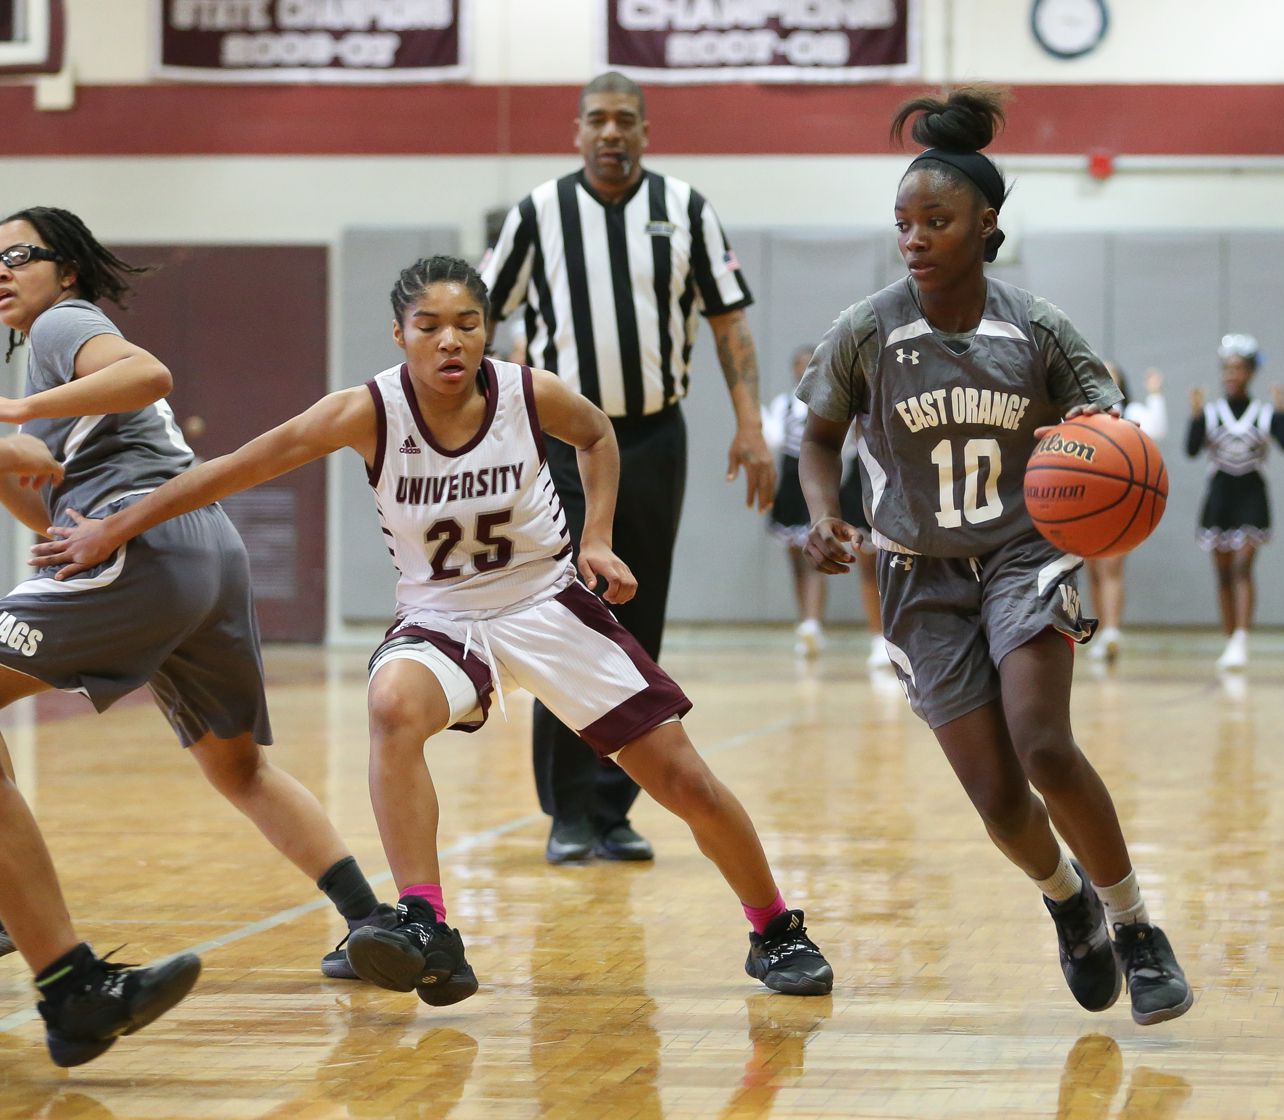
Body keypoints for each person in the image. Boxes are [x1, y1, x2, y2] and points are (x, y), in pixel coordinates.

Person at [33, 255, 834, 1008]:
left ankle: (775, 930)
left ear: (487, 331)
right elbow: (237, 465)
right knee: (392, 705)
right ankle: (425, 923)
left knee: (683, 780)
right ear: (400, 334)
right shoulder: (366, 410)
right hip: (441, 615)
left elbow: (597, 433)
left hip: (544, 599)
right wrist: (115, 527)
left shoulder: (529, 392)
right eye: (429, 324)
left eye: (467, 323)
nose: (450, 339)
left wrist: (598, 536)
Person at [797, 89, 1192, 1026]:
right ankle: (1070, 905)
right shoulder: (866, 330)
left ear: (987, 227)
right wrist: (824, 514)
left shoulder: (1040, 330)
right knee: (996, 795)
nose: (915, 238)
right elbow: (816, 440)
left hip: (1026, 556)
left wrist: (1107, 447)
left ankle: (1138, 928)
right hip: (916, 575)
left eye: (936, 221)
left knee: (1044, 743)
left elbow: (1106, 419)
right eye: (903, 223)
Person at [0, 208, 391, 1066]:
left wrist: (19, 407)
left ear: (66, 271)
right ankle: (372, 920)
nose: (2, 269)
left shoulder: (61, 328)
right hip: (206, 550)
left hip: (142, 546)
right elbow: (50, 500)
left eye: (18, 254)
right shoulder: (59, 376)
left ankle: (68, 983)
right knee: (237, 765)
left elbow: (149, 374)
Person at [480, 71, 775, 866]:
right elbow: (479, 312)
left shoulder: (685, 211)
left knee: (637, 621)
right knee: (567, 615)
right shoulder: (539, 213)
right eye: (598, 121)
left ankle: (615, 810)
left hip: (653, 438)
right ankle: (568, 812)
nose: (611, 133)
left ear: (646, 131)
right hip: (560, 445)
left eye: (625, 121)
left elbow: (728, 321)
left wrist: (751, 424)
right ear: (577, 131)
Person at [764, 343, 884, 664]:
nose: (804, 371)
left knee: (857, 561)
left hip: (842, 484)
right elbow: (777, 438)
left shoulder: (842, 403)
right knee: (800, 557)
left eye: (809, 365)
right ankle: (809, 622)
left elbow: (840, 448)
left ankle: (873, 636)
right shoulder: (784, 405)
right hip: (793, 485)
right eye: (799, 366)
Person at [1187, 334, 1284, 670]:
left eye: (1237, 369)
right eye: (1226, 369)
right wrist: (1193, 416)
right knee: (1221, 573)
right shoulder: (1211, 411)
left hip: (1251, 494)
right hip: (1219, 495)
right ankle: (1229, 638)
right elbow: (1191, 450)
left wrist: (1282, 410)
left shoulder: (1263, 412)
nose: (1231, 375)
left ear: (1250, 373)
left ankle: (1242, 638)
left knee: (1243, 566)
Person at [1085, 364, 1169, 664]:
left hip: (1119, 501)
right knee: (1093, 571)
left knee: (1111, 567)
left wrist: (1156, 394)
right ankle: (1104, 631)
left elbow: (1157, 429)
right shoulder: (1082, 414)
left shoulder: (1132, 410)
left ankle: (1112, 631)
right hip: (1085, 501)